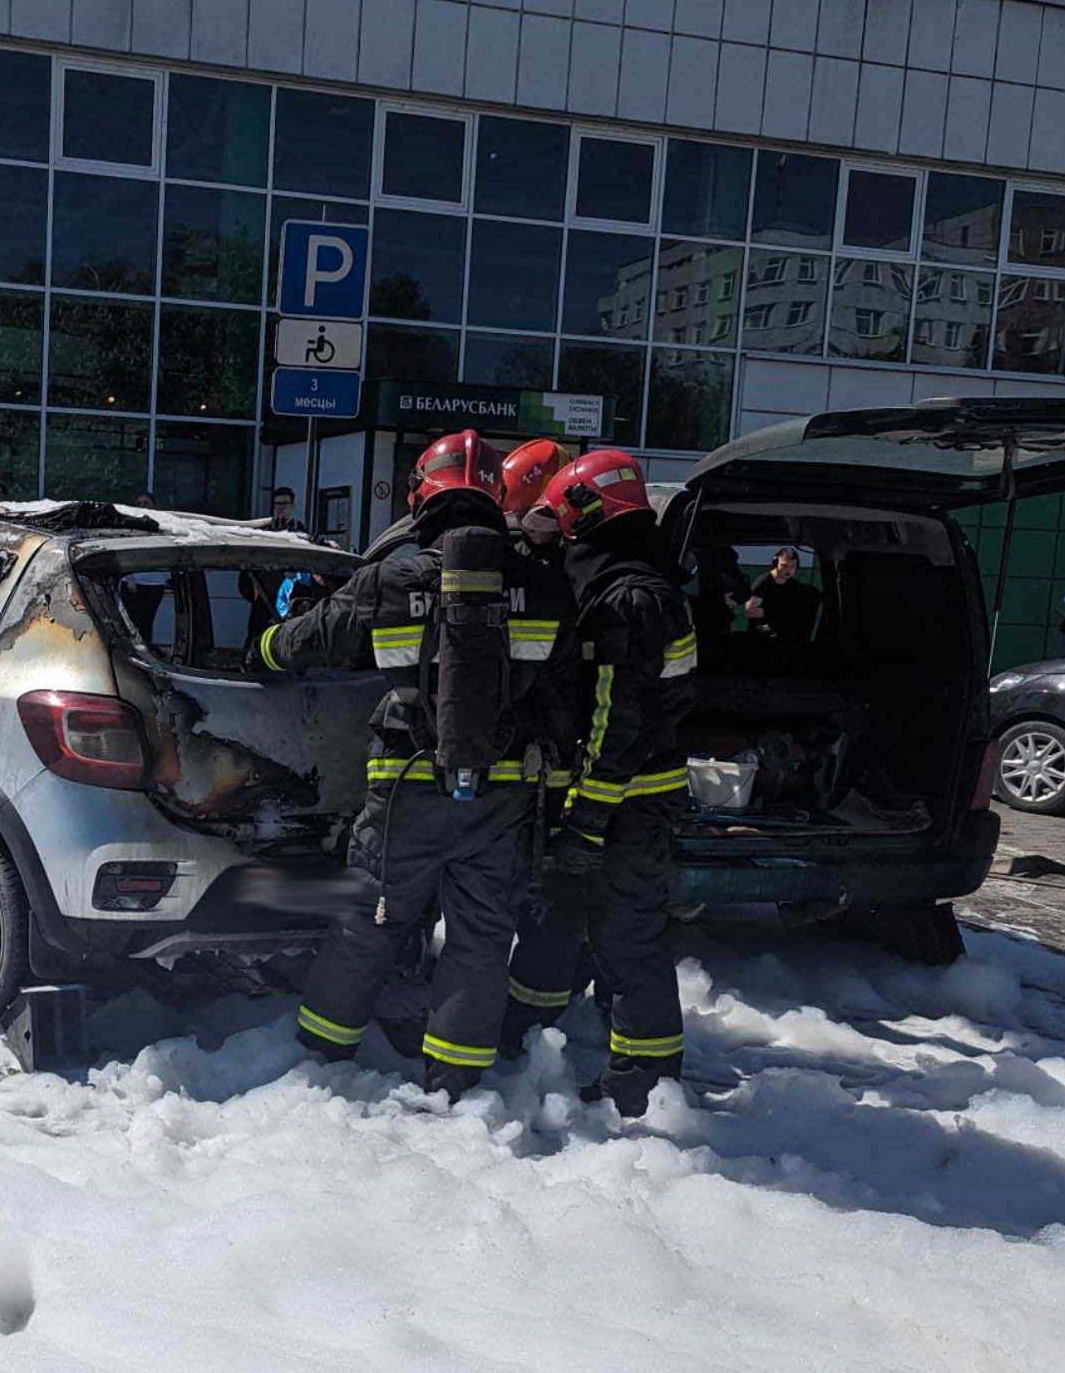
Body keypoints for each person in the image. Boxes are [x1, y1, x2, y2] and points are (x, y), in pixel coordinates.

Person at [245, 430, 579, 1101]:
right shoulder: (542, 584)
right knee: (481, 939)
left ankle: (322, 1060)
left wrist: (262, 649)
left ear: (417, 497)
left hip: (404, 789)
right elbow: (564, 699)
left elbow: (307, 644)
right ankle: (454, 1081)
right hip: (504, 793)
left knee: (366, 924)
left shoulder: (391, 578)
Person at [501, 450, 698, 1118]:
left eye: (565, 520)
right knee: (554, 921)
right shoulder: (620, 581)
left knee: (628, 940)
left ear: (588, 513)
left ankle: (644, 1084)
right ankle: (520, 1037)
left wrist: (586, 820)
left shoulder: (631, 597)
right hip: (597, 795)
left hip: (629, 802)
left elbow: (617, 724)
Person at [745, 545, 820, 648]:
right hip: (763, 636)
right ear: (775, 564)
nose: (788, 570)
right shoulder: (763, 583)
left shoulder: (792, 583)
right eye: (784, 566)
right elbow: (751, 611)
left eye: (792, 566)